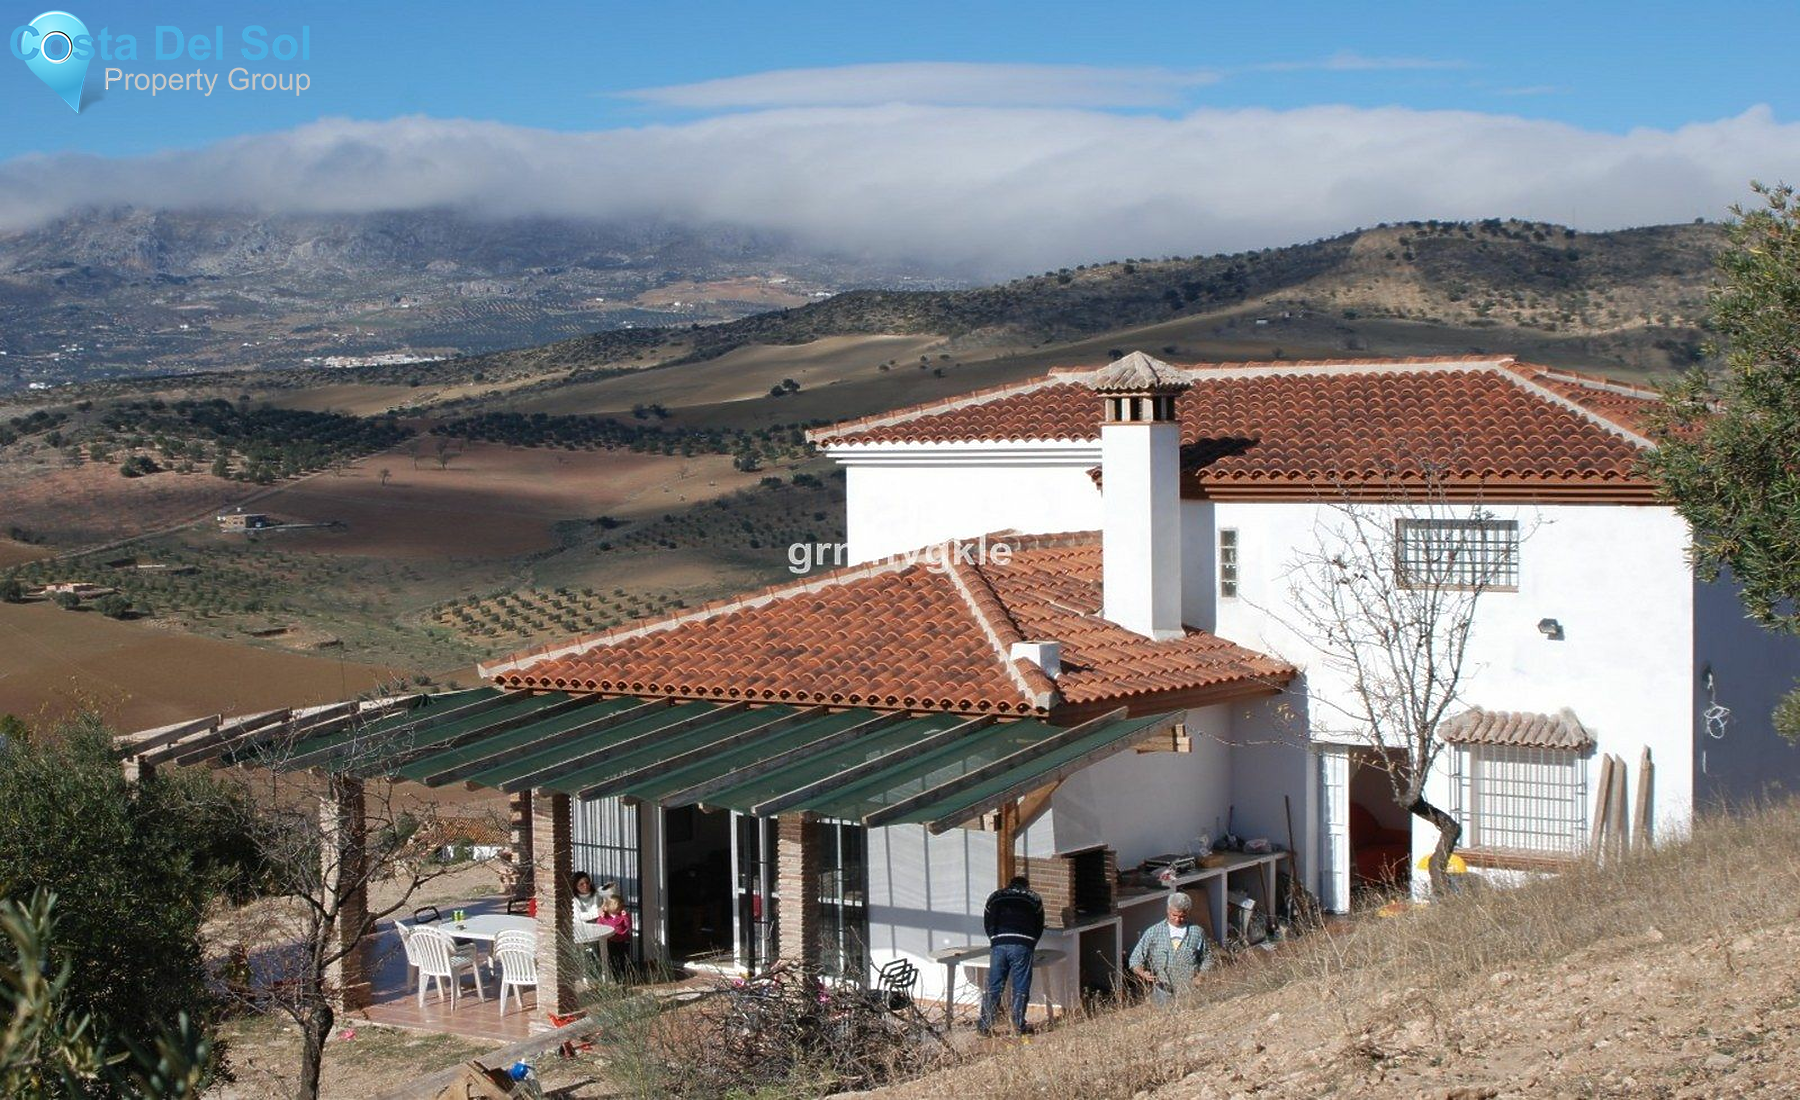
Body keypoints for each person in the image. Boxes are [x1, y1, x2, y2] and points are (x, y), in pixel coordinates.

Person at [978, 874, 1045, 1036]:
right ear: (1026, 886)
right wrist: (1031, 944)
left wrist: (994, 939)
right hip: (1023, 944)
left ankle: (984, 1026)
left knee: (994, 986)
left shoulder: (995, 896)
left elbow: (987, 922)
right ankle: (1018, 1025)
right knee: (1020, 985)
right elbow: (1039, 925)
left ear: (1009, 884)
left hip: (998, 944)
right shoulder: (1034, 897)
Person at [1129, 892, 1212, 1005]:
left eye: (1182, 916)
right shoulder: (1154, 932)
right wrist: (1143, 973)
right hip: (1162, 994)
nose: (1178, 919)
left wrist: (1201, 977)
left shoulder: (1196, 932)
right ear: (1168, 910)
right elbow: (1135, 959)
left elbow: (1208, 958)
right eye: (1174, 915)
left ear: (1188, 913)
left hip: (1190, 995)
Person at [596, 892, 634, 979]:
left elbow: (628, 925)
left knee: (623, 959)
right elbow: (598, 926)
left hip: (622, 940)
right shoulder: (604, 917)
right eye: (617, 908)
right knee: (612, 959)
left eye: (620, 908)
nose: (619, 910)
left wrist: (625, 917)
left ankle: (625, 976)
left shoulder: (622, 916)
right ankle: (615, 977)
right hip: (610, 941)